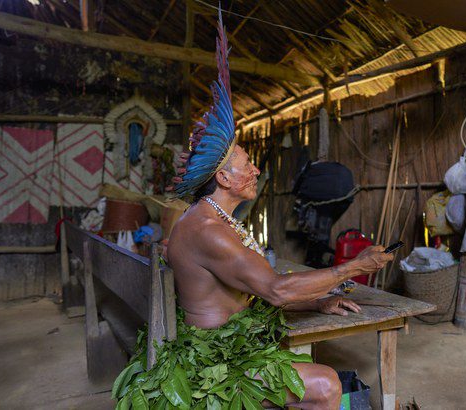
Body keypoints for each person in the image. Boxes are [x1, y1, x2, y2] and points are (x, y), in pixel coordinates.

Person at [162, 12, 392, 410]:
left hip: (228, 345)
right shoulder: (208, 230)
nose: (255, 171)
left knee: (307, 361)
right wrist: (353, 267)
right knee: (325, 384)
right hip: (216, 365)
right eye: (247, 166)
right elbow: (276, 290)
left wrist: (319, 301)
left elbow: (255, 292)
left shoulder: (211, 217)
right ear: (225, 180)